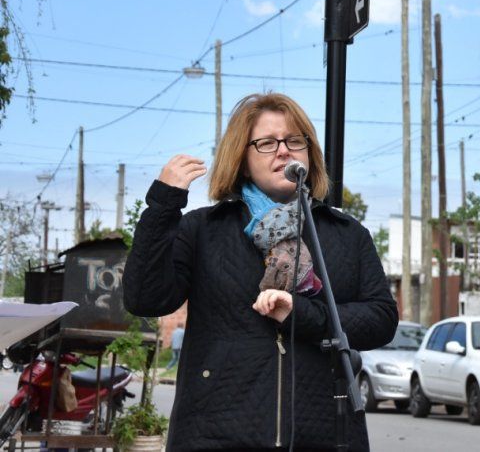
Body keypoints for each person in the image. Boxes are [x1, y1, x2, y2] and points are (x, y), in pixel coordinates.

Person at [124, 92, 398, 452]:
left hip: (324, 433)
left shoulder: (345, 234)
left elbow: (381, 319)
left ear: (309, 154)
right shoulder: (203, 229)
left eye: (294, 140)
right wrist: (163, 204)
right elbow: (145, 298)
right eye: (267, 143)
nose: (283, 151)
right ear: (242, 159)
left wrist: (302, 314)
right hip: (215, 434)